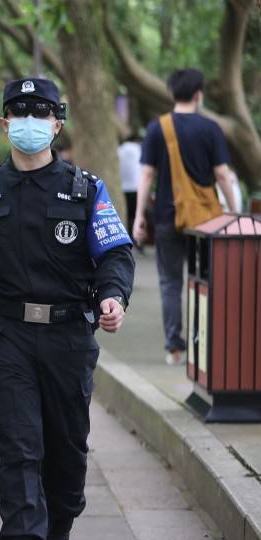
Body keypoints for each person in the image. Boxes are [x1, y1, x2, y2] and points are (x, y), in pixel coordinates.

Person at [0, 78, 135, 540]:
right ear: (4, 123)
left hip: (68, 337)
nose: (29, 121)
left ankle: (59, 533)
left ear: (57, 123)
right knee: (18, 447)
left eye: (40, 112)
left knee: (66, 448)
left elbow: (115, 254)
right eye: (19, 112)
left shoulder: (85, 189)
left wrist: (114, 296)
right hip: (7, 337)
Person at [133, 68, 238, 366]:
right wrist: (232, 212)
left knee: (170, 283)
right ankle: (201, 342)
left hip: (167, 217)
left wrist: (139, 216)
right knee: (204, 281)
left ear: (172, 93)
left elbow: (147, 175)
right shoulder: (210, 129)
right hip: (205, 221)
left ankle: (174, 347)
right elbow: (222, 175)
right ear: (198, 94)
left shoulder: (157, 128)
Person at [117, 132, 143, 253]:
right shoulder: (138, 149)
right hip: (136, 188)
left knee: (125, 215)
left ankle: (125, 241)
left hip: (122, 188)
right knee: (136, 215)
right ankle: (138, 242)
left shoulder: (120, 149)